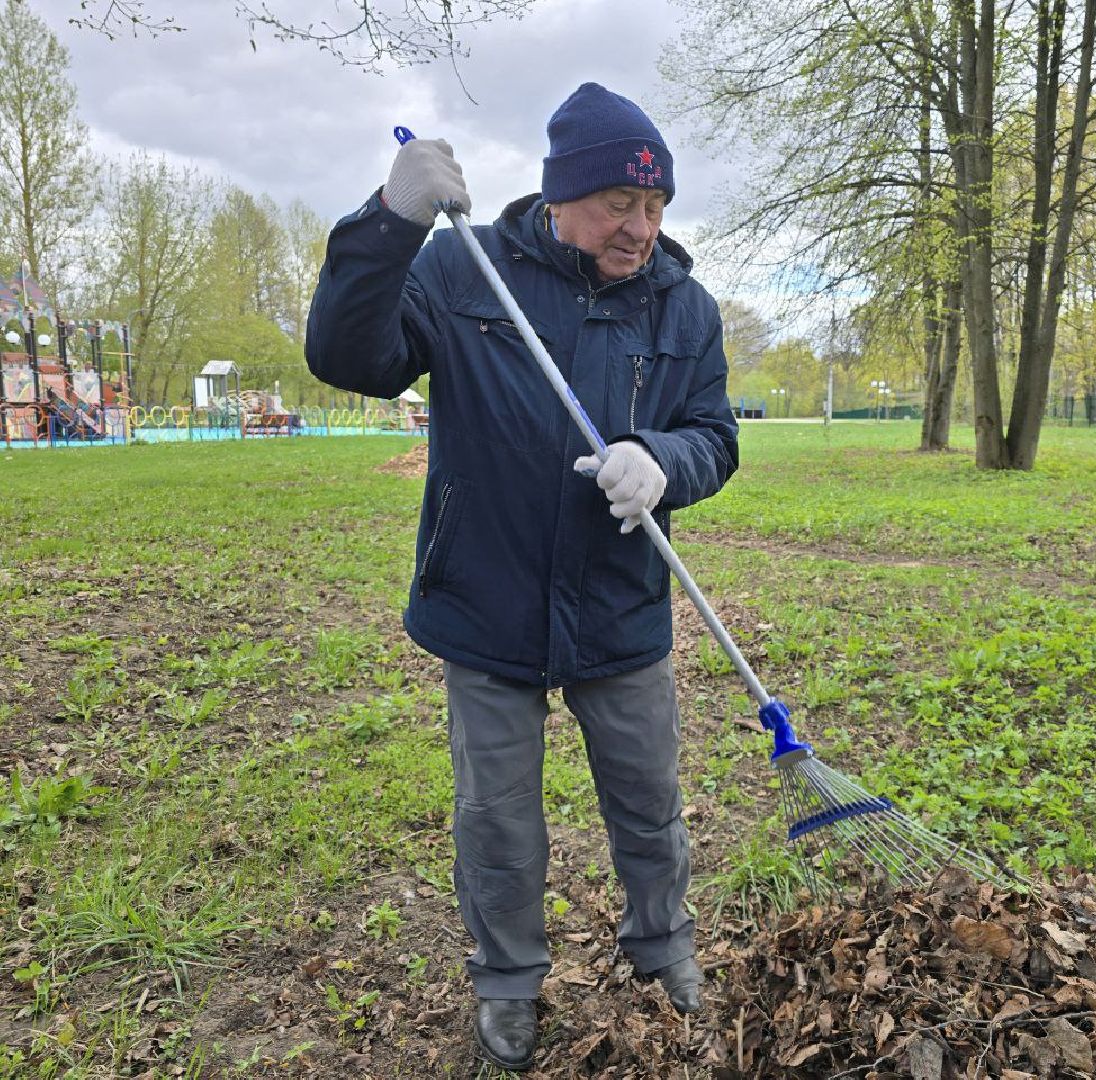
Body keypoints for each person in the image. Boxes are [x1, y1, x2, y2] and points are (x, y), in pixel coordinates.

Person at [305, 83, 739, 1072]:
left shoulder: (685, 306)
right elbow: (347, 356)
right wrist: (387, 224)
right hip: (486, 602)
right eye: (620, 206)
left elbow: (716, 437)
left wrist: (666, 460)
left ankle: (663, 952)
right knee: (497, 820)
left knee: (648, 805)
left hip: (619, 607)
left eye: (658, 205)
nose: (643, 227)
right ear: (560, 196)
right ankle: (507, 984)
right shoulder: (466, 272)